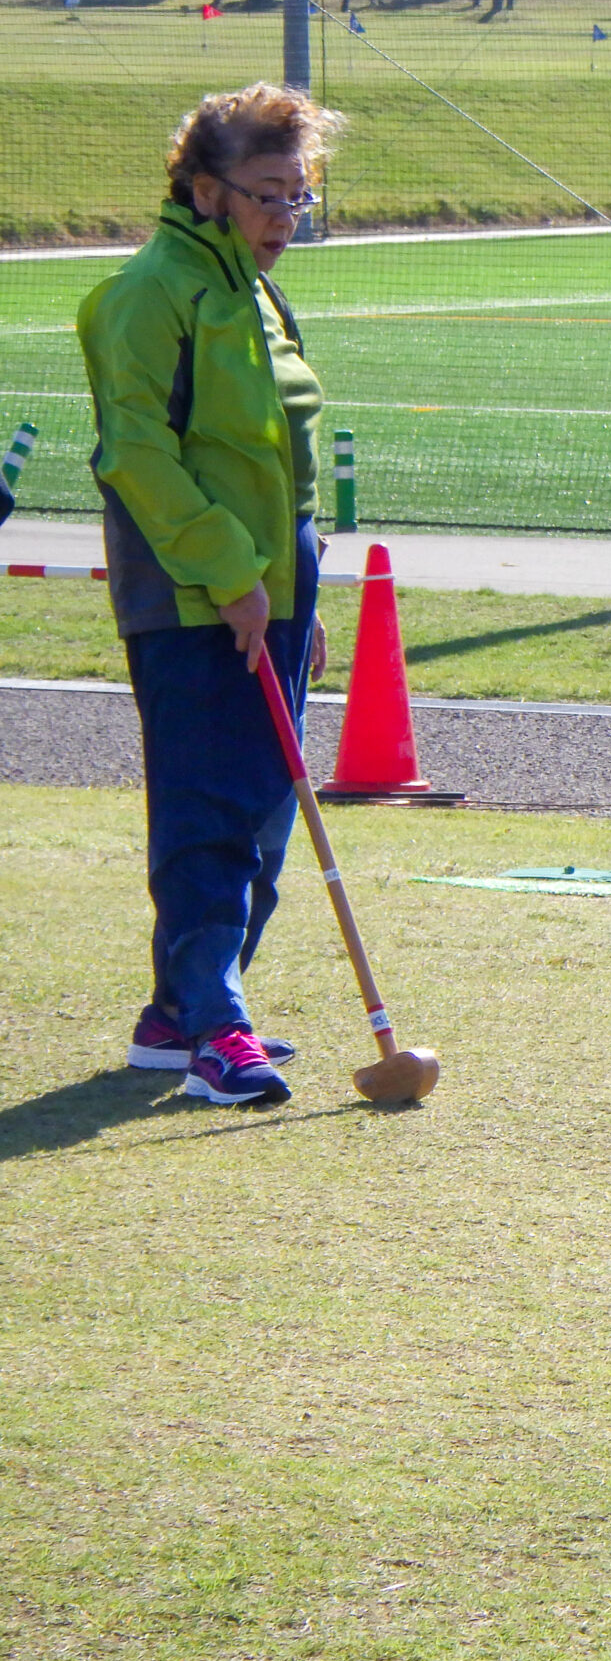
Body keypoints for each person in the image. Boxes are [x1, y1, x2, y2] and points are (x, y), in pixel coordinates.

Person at [80, 83, 342, 1107]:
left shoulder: (257, 293)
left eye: (300, 195)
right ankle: (217, 1032)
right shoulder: (150, 295)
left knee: (270, 817)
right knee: (209, 816)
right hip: (191, 592)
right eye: (269, 195)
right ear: (205, 190)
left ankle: (177, 1012)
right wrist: (233, 575)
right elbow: (135, 455)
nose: (287, 217)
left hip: (274, 583)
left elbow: (285, 462)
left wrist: (296, 599)